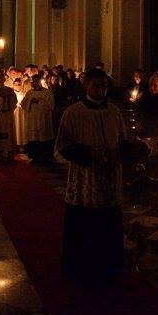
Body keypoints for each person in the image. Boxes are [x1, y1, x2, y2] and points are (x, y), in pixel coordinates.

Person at [55, 68, 128, 279]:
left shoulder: (114, 111)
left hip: (110, 179)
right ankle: (82, 268)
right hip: (86, 180)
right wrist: (90, 154)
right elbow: (63, 146)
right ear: (86, 86)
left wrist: (132, 149)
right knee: (84, 227)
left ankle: (110, 267)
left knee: (108, 226)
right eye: (97, 85)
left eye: (104, 86)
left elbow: (122, 140)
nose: (101, 90)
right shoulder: (74, 113)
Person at [21, 75, 56, 162]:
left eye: (36, 81)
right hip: (32, 119)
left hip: (43, 119)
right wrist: (30, 101)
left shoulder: (47, 92)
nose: (33, 83)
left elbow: (51, 106)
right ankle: (34, 156)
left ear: (39, 82)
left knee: (43, 137)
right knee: (33, 138)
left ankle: (44, 157)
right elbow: (23, 104)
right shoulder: (29, 93)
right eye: (33, 82)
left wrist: (39, 101)